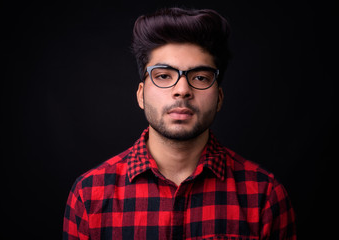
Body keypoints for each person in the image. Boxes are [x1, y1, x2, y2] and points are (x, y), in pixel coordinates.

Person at [63, 7, 296, 240]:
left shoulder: (264, 194)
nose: (182, 90)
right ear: (141, 94)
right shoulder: (89, 194)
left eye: (200, 78)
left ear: (219, 98)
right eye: (164, 75)